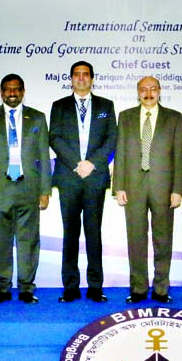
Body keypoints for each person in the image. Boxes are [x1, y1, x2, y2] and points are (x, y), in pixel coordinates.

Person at [0, 74, 51, 304]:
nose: (13, 93)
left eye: (17, 89)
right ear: (1, 92)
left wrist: (45, 190)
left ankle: (26, 288)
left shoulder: (37, 118)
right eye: (8, 89)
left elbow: (44, 155)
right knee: (2, 240)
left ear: (23, 91)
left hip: (28, 187)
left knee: (28, 240)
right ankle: (2, 287)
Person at [114, 76, 182, 304]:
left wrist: (177, 189)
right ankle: (138, 288)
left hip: (163, 187)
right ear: (137, 92)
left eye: (153, 89)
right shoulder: (125, 117)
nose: (148, 93)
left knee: (163, 238)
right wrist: (118, 186)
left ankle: (161, 288)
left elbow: (178, 157)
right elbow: (120, 152)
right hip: (133, 185)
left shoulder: (174, 117)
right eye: (143, 89)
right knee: (136, 238)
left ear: (160, 91)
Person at [49, 61, 116, 303]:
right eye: (76, 74)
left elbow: (111, 138)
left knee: (93, 232)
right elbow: (54, 137)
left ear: (92, 79)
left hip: (95, 177)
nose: (81, 78)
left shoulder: (106, 106)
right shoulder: (59, 106)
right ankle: (70, 286)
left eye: (85, 74)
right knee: (70, 232)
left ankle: (95, 286)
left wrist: (91, 163)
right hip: (69, 176)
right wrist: (77, 162)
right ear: (71, 79)